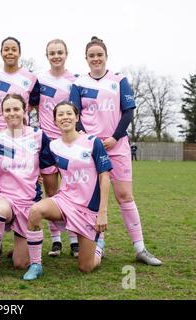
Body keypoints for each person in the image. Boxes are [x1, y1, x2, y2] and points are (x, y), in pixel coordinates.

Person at [69, 36, 162, 266]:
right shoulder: (79, 83)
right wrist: (90, 139)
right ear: (86, 59)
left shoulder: (120, 80)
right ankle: (98, 243)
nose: (96, 58)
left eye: (99, 54)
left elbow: (128, 112)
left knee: (124, 196)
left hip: (117, 146)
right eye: (91, 55)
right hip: (90, 148)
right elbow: (74, 115)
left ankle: (140, 248)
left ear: (106, 56)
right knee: (94, 198)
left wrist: (114, 137)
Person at [23, 101, 112, 280]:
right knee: (35, 211)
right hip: (64, 201)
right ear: (55, 121)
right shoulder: (53, 146)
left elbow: (105, 177)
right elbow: (44, 169)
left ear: (77, 117)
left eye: (69, 113)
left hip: (88, 208)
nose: (65, 117)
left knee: (86, 267)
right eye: (60, 115)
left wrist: (102, 212)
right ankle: (35, 265)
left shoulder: (92, 142)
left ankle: (98, 245)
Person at [0, 93, 53, 278]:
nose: (12, 113)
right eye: (7, 110)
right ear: (1, 112)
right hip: (6, 197)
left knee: (20, 264)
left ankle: (20, 246)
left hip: (29, 200)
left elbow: (47, 170)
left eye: (16, 109)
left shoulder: (38, 135)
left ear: (24, 111)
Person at [0, 36, 40, 215]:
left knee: (22, 176)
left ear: (19, 52)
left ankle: (25, 215)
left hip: (21, 137)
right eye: (6, 49)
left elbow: (36, 102)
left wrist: (21, 117)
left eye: (13, 49)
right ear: (1, 52)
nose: (10, 52)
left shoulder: (30, 78)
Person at [37, 39, 79, 258]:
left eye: (59, 52)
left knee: (71, 192)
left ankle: (74, 239)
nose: (56, 56)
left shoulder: (75, 81)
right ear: (47, 55)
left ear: (66, 53)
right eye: (52, 52)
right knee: (51, 193)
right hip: (47, 144)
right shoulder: (39, 79)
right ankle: (56, 241)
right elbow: (29, 103)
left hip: (69, 143)